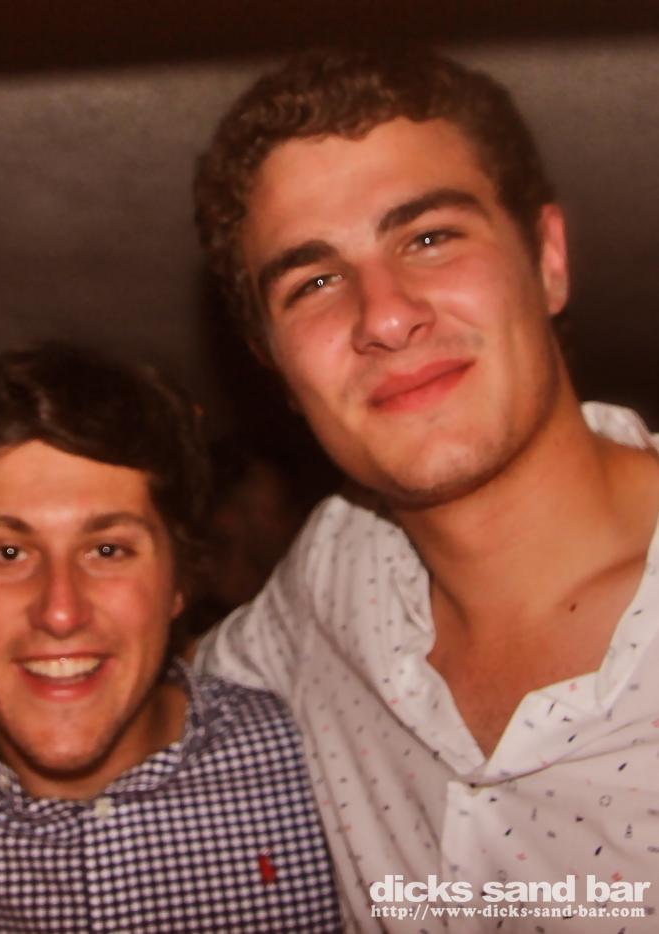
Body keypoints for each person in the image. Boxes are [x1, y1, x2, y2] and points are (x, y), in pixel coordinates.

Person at [192, 48, 659, 927]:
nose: (385, 314)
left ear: (548, 257)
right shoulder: (333, 573)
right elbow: (154, 699)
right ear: (274, 365)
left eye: (430, 238)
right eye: (314, 281)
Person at [0, 343, 341, 932]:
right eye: (8, 553)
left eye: (108, 550)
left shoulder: (320, 772)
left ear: (178, 581)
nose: (60, 611)